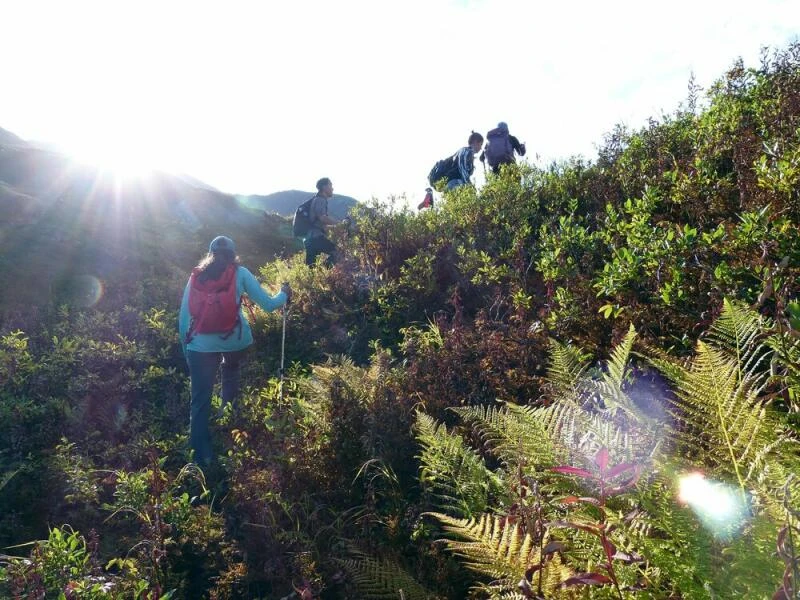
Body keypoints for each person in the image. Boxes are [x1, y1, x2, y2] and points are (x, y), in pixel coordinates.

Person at [178, 235, 291, 466]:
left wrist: (186, 349)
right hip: (235, 342)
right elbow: (269, 306)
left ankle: (201, 456)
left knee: (199, 400)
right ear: (233, 253)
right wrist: (284, 294)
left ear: (210, 253)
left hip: (199, 347)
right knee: (230, 371)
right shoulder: (240, 273)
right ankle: (228, 421)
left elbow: (183, 318)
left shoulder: (196, 276)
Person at [304, 177, 340, 267]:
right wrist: (339, 224)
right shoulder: (320, 200)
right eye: (330, 185)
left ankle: (319, 275)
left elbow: (320, 225)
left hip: (309, 239)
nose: (332, 188)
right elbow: (323, 218)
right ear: (324, 187)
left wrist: (336, 227)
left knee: (311, 268)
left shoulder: (316, 200)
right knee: (338, 252)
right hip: (316, 238)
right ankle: (324, 269)